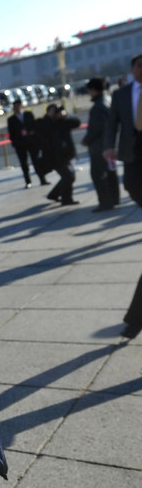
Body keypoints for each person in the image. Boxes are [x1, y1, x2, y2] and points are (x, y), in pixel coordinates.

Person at [104, 53, 142, 339]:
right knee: (131, 185)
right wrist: (109, 146)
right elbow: (113, 123)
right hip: (133, 155)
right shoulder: (122, 94)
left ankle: (135, 320)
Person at [82, 77, 119, 212]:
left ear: (93, 90)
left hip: (99, 148)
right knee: (110, 173)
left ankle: (105, 202)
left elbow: (96, 128)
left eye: (89, 90)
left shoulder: (99, 106)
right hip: (108, 145)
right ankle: (114, 199)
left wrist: (86, 140)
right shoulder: (108, 100)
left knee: (98, 175)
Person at [36, 103, 80, 206]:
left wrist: (66, 115)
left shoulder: (63, 121)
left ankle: (54, 194)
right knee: (68, 176)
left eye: (56, 111)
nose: (55, 113)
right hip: (54, 157)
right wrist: (50, 117)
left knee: (70, 176)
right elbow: (42, 130)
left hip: (66, 154)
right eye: (52, 111)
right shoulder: (45, 123)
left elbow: (76, 123)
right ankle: (66, 199)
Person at [7, 100, 49, 188]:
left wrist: (33, 134)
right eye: (15, 107)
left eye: (18, 106)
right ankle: (28, 181)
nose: (16, 109)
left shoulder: (28, 114)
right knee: (24, 164)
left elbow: (34, 126)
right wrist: (15, 143)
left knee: (36, 161)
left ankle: (42, 179)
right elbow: (12, 133)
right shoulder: (11, 120)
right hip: (20, 145)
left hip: (32, 143)